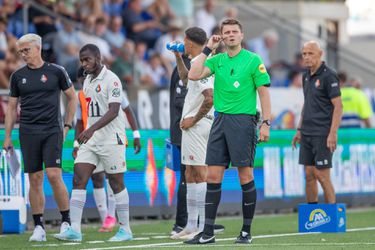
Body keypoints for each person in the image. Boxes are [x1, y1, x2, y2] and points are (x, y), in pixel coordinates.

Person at [186, 18, 272, 245]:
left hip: (243, 122)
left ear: (241, 36)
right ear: (221, 36)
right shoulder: (217, 60)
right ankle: (207, 233)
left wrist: (266, 123)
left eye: (235, 31)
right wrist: (207, 48)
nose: (231, 35)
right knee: (213, 176)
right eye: (227, 32)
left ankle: (246, 231)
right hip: (219, 121)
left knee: (245, 176)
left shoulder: (253, 60)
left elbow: (264, 94)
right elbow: (193, 74)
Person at [54, 44, 132, 242]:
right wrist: (79, 141)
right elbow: (85, 115)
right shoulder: (87, 80)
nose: (84, 64)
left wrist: (91, 129)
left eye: (87, 59)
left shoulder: (112, 79)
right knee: (78, 178)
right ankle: (75, 230)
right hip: (91, 140)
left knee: (116, 183)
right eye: (81, 60)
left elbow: (115, 110)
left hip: (111, 139)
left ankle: (125, 230)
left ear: (98, 57)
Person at [3, 33, 77, 242]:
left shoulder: (56, 71)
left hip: (52, 130)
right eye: (20, 51)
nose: (23, 54)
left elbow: (72, 98)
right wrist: (8, 136)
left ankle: (66, 222)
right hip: (27, 132)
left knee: (54, 175)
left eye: (26, 50)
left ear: (38, 48)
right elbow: (11, 107)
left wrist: (67, 125)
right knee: (34, 179)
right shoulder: (17, 76)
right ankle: (39, 227)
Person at [72, 67, 141, 233]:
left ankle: (113, 216)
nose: (84, 83)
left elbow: (126, 110)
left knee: (113, 178)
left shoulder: (110, 83)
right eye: (81, 81)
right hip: (91, 140)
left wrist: (136, 134)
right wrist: (76, 144)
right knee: (93, 178)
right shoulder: (80, 95)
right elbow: (80, 121)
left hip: (112, 138)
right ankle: (101, 220)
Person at [170, 27, 214, 241]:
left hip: (198, 124)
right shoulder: (196, 61)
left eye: (184, 42)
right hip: (190, 126)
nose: (182, 44)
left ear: (190, 42)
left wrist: (193, 119)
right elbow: (186, 79)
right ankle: (190, 225)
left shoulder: (205, 62)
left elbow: (210, 98)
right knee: (190, 173)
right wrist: (178, 57)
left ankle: (204, 226)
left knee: (200, 172)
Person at [292, 41, 343, 205]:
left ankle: (332, 215)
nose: (306, 57)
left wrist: (333, 132)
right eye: (304, 54)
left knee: (322, 175)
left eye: (310, 53)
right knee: (308, 174)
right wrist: (299, 129)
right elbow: (307, 103)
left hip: (322, 133)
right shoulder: (305, 75)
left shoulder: (329, 75)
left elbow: (338, 106)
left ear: (320, 54)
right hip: (306, 131)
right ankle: (312, 214)